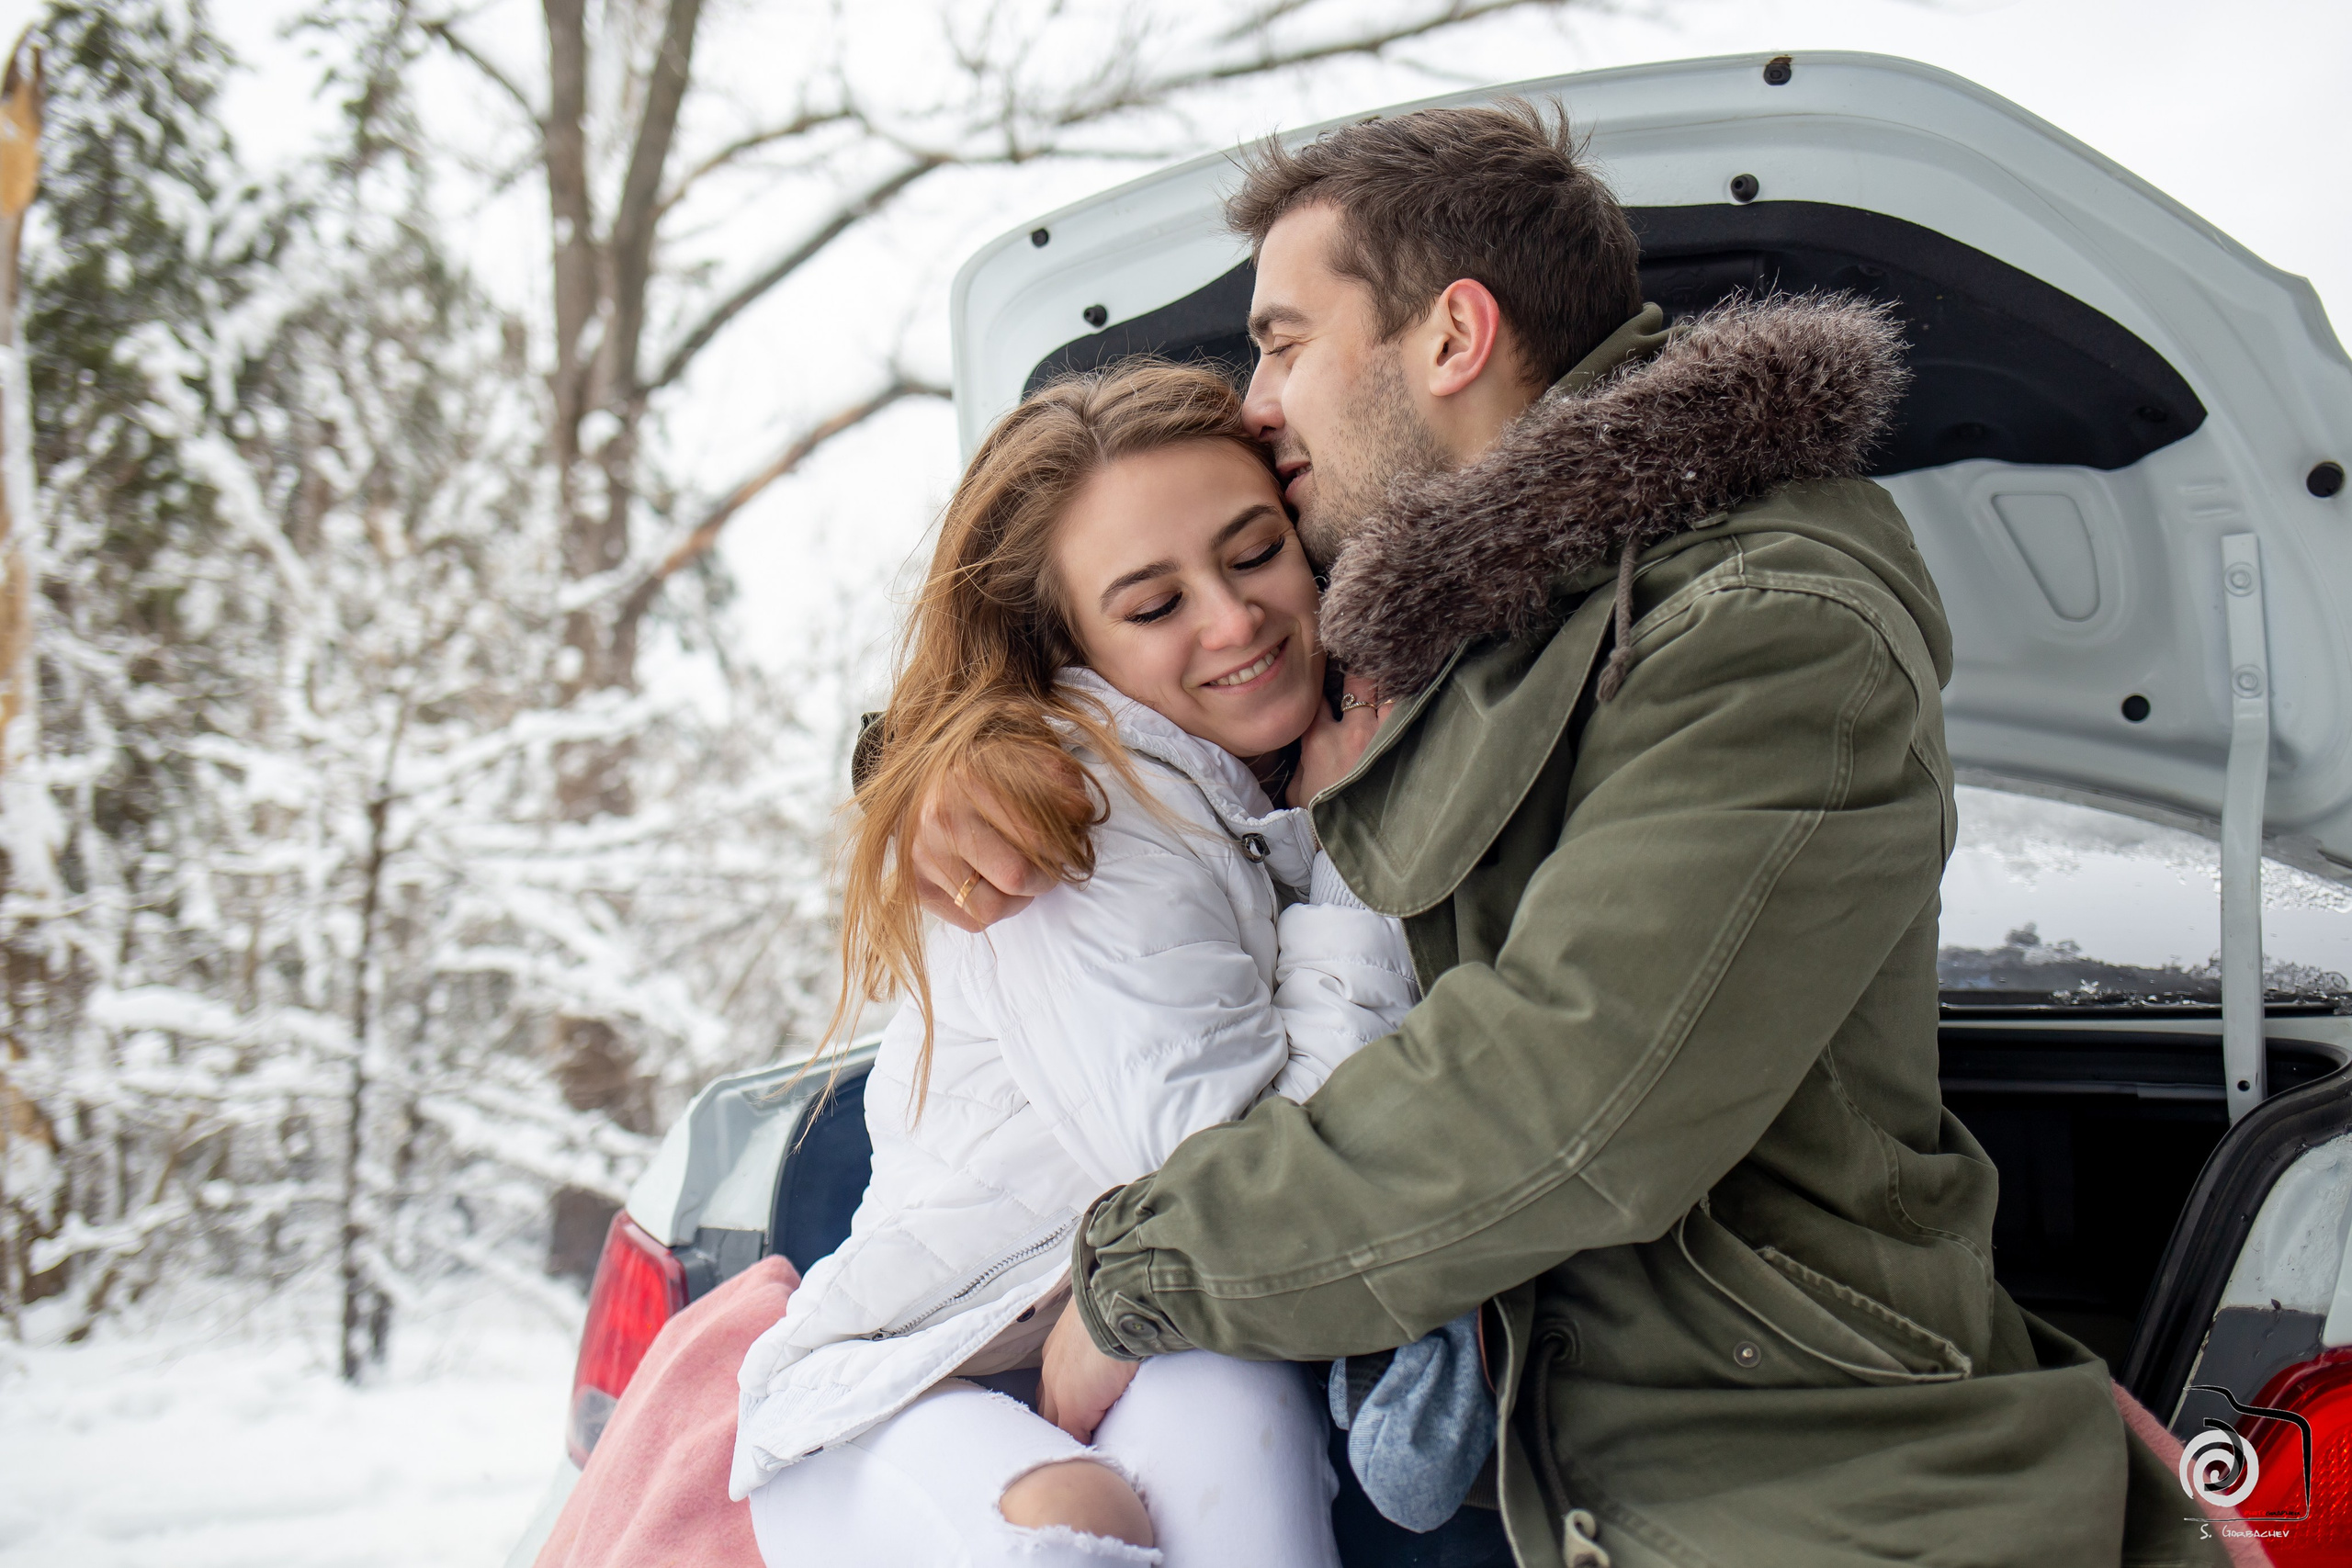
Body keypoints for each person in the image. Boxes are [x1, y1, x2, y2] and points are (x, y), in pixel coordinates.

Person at [910, 104, 2223, 1568]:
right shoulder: (1439, 627)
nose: (1257, 401)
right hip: (1510, 1463)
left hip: (1786, 1490)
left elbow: (1568, 1095)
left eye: (1284, 341)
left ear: (1453, 338)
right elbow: (1150, 670)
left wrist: (1142, 1279)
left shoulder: (1767, 625)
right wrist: (958, 756)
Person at [729, 361, 1428, 1567]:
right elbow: (1243, 1188)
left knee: (1233, 1411)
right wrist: (1358, 867)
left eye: (1255, 552)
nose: (1232, 620)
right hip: (898, 1396)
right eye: (1153, 607)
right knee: (1075, 1527)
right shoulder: (1083, 810)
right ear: (1075, 648)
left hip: (1106, 1322)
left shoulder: (1243, 789)